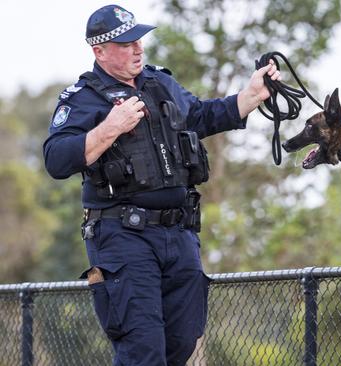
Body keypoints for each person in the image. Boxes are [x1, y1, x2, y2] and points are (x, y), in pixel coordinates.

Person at [43, 5, 280, 365]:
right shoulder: (81, 98)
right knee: (143, 349)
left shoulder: (160, 83)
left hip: (179, 232)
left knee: (183, 340)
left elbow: (203, 115)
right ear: (99, 51)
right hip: (122, 235)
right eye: (125, 43)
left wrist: (252, 94)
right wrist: (111, 127)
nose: (137, 48)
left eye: (139, 40)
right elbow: (56, 160)